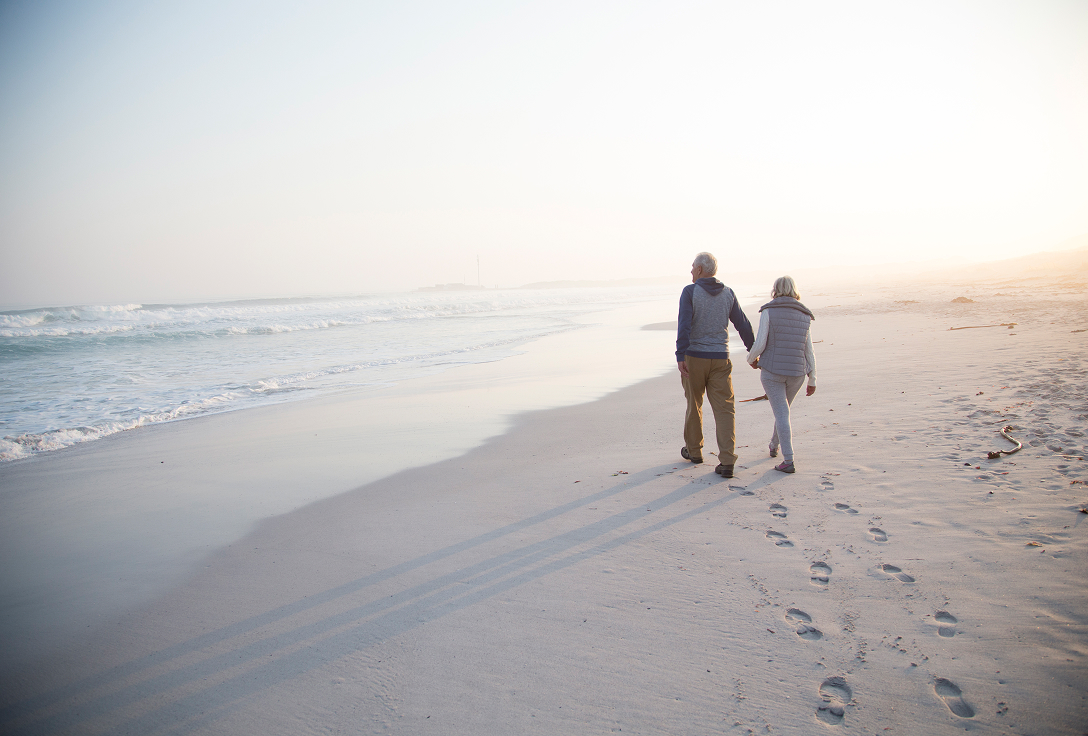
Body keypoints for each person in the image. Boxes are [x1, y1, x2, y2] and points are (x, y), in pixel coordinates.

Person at [676, 252, 755, 478]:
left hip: (694, 357)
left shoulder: (690, 292)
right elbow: (743, 324)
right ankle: (727, 461)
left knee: (694, 404)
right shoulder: (728, 293)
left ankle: (694, 451)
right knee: (724, 409)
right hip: (721, 357)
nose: (690, 271)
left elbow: (684, 325)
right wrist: (753, 351)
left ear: (700, 269)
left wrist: (680, 355)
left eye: (692, 267)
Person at [746, 276, 817, 473]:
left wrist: (751, 359)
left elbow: (760, 343)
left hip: (772, 372)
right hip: (797, 373)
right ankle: (773, 446)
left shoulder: (768, 311)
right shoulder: (804, 314)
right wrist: (813, 378)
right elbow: (808, 350)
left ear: (775, 290)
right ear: (795, 290)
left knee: (782, 412)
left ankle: (788, 460)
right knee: (783, 411)